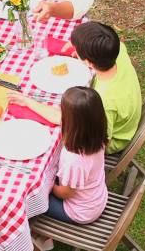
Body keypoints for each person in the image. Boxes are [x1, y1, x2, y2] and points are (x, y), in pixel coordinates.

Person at [8, 22, 141, 154]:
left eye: (77, 51)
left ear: (88, 62)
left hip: (107, 141)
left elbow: (65, 119)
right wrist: (80, 43)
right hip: (124, 119)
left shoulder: (104, 102)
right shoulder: (118, 51)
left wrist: (27, 101)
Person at [45, 86, 108, 225]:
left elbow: (66, 193)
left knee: (34, 200)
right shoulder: (96, 136)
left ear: (73, 122)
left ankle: (41, 240)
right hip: (96, 198)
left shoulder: (74, 158)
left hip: (79, 212)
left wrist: (50, 186)